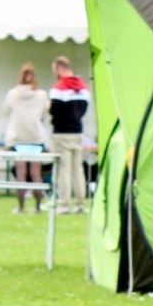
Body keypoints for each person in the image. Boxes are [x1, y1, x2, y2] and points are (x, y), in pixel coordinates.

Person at [3, 62, 49, 214]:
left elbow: (6, 110)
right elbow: (44, 112)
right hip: (36, 138)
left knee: (21, 174)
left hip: (18, 139)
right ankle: (37, 206)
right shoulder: (41, 95)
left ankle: (21, 206)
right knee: (36, 174)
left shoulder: (12, 94)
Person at [49, 56, 91, 214]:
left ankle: (65, 204)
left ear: (59, 68)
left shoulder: (58, 88)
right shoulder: (83, 88)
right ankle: (80, 204)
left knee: (64, 169)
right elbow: (84, 110)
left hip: (61, 133)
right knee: (78, 169)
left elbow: (54, 111)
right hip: (77, 132)